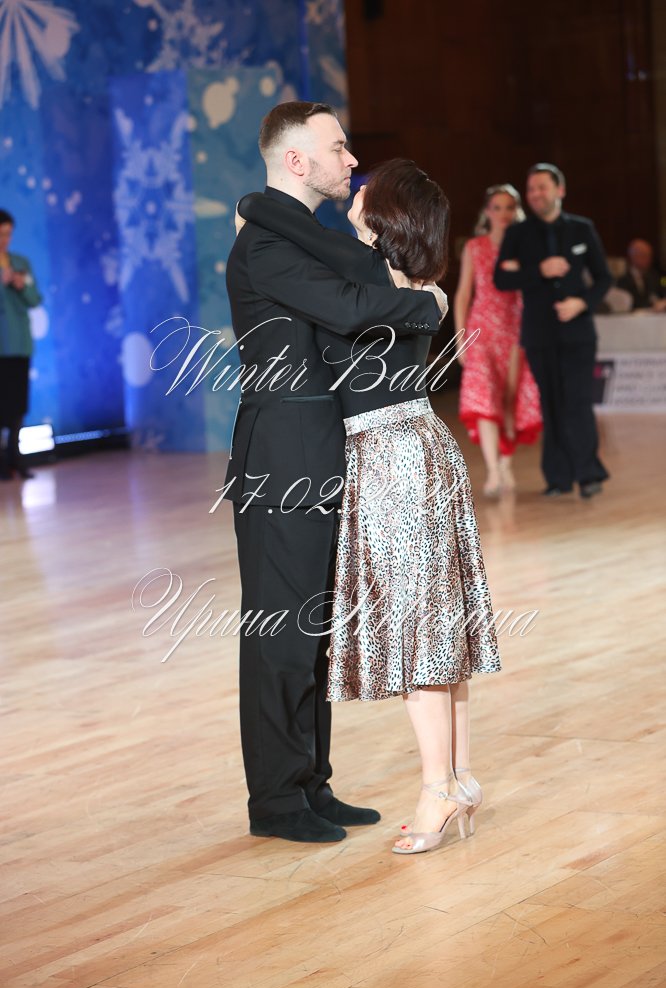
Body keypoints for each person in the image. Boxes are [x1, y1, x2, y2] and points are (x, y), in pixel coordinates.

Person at [239, 158, 501, 857]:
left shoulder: (366, 273)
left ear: (385, 218)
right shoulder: (412, 279)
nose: (355, 186)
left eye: (368, 192)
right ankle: (458, 777)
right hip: (422, 444)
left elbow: (321, 259)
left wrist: (253, 207)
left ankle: (437, 789)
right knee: (439, 628)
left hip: (390, 457)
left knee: (417, 634)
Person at [225, 103, 446, 844]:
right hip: (280, 461)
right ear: (296, 160)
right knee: (280, 632)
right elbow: (348, 305)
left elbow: (352, 264)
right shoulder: (267, 243)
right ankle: (276, 800)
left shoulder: (290, 230)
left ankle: (310, 783)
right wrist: (427, 304)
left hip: (320, 453)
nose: (352, 160)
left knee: (312, 629)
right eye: (339, 148)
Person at [493, 163, 612, 499]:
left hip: (578, 333)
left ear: (560, 190)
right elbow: (501, 279)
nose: (535, 194)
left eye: (542, 187)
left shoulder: (582, 229)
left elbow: (604, 278)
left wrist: (582, 303)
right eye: (531, 189)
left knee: (578, 401)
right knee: (551, 403)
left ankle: (588, 474)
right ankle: (558, 478)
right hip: (539, 333)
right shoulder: (518, 233)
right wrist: (538, 270)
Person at [454, 185, 541, 497]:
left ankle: (505, 464)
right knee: (483, 398)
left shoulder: (526, 247)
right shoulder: (475, 247)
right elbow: (463, 294)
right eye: (497, 207)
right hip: (480, 332)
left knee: (509, 399)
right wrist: (461, 338)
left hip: (515, 331)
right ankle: (492, 470)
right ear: (487, 212)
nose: (503, 213)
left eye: (509, 207)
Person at [0, 209, 42, 481]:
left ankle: (16, 459)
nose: (4, 239)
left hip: (18, 343)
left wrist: (20, 285)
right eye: (0, 234)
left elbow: (35, 298)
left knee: (17, 404)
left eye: (8, 234)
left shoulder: (20, 262)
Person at [616, 239, 666, 311]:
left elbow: (663, 287)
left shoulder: (656, 277)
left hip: (653, 315)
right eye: (644, 255)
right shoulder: (621, 279)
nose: (648, 259)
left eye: (649, 255)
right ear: (633, 256)